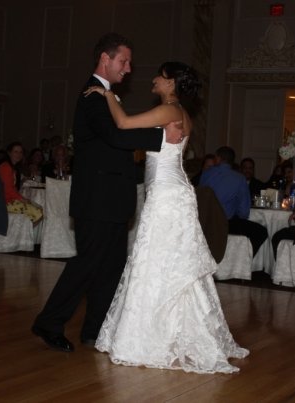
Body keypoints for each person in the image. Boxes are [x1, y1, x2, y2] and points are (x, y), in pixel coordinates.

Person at [83, 61, 248, 373]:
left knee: (157, 260)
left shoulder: (169, 111)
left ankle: (153, 338)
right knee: (171, 263)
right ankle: (171, 333)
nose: (155, 79)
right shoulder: (181, 113)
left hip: (167, 194)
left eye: (160, 76)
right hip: (174, 191)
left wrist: (107, 95)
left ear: (171, 83)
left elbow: (123, 123)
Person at [31, 33, 183, 354]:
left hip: (111, 198)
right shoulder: (92, 95)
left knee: (111, 267)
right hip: (97, 197)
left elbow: (116, 140)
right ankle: (49, 321)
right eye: (123, 61)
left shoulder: (106, 95)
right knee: (88, 262)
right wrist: (160, 138)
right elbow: (116, 136)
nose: (128, 68)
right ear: (105, 59)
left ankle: (96, 330)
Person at [200, 146, 268, 255]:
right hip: (225, 224)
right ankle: (242, 258)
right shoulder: (240, 178)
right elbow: (244, 213)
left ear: (218, 158)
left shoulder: (206, 174)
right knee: (261, 232)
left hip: (205, 222)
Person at [0, 142, 43, 224]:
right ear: (9, 153)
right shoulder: (6, 167)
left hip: (9, 199)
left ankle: (23, 230)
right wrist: (21, 199)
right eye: (16, 152)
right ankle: (24, 231)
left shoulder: (12, 167)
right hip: (4, 202)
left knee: (39, 207)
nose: (19, 154)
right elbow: (8, 189)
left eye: (21, 152)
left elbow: (13, 188)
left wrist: (22, 198)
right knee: (38, 212)